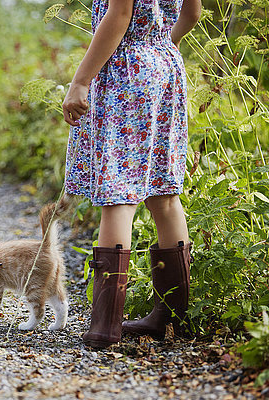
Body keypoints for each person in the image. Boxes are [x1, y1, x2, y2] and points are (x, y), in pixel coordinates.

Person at [62, 0, 202, 348]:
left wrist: (81, 81)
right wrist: (160, 44)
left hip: (126, 71)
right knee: (164, 195)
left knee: (118, 194)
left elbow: (120, 14)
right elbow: (193, 13)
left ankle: (104, 327)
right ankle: (170, 320)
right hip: (164, 68)